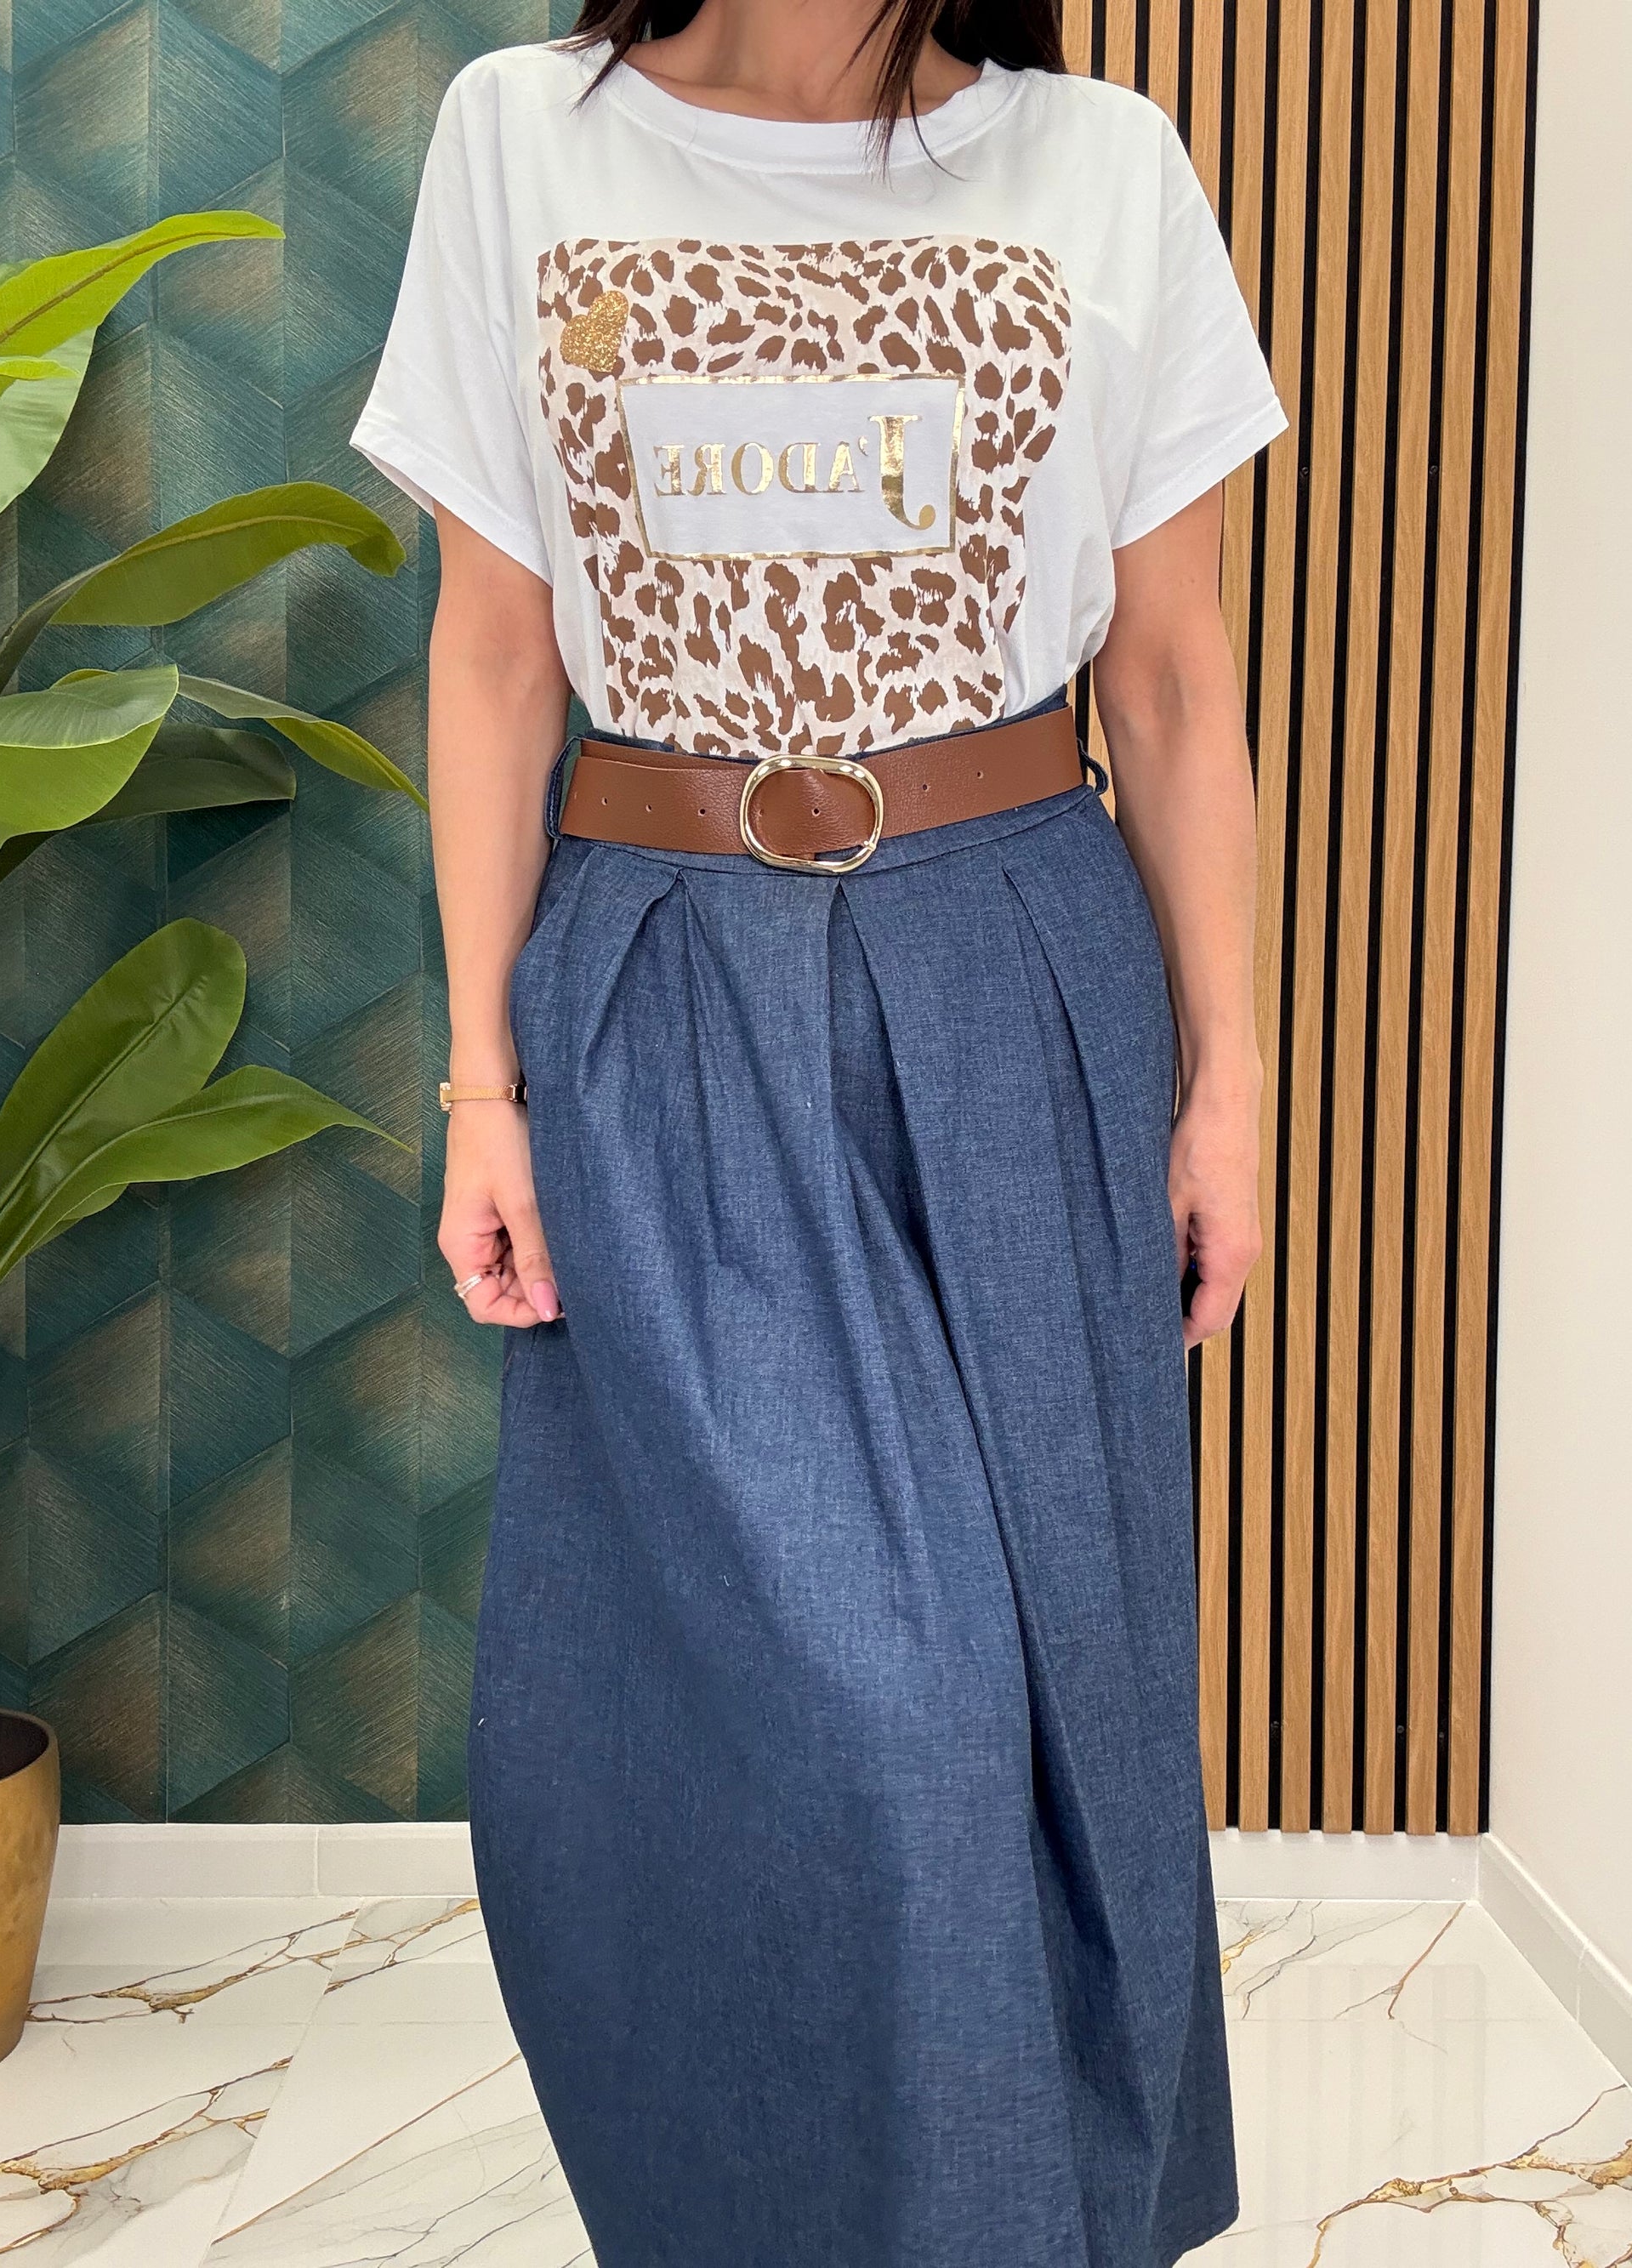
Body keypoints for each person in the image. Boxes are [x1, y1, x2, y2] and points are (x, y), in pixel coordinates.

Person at [353, 0, 1285, 2254]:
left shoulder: (1101, 164)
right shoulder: (520, 136)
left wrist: (1234, 1077)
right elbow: (494, 653)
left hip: (1015, 967)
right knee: (873, 1720)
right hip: (664, 973)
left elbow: (1171, 676)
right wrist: (480, 1078)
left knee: (1057, 1693)